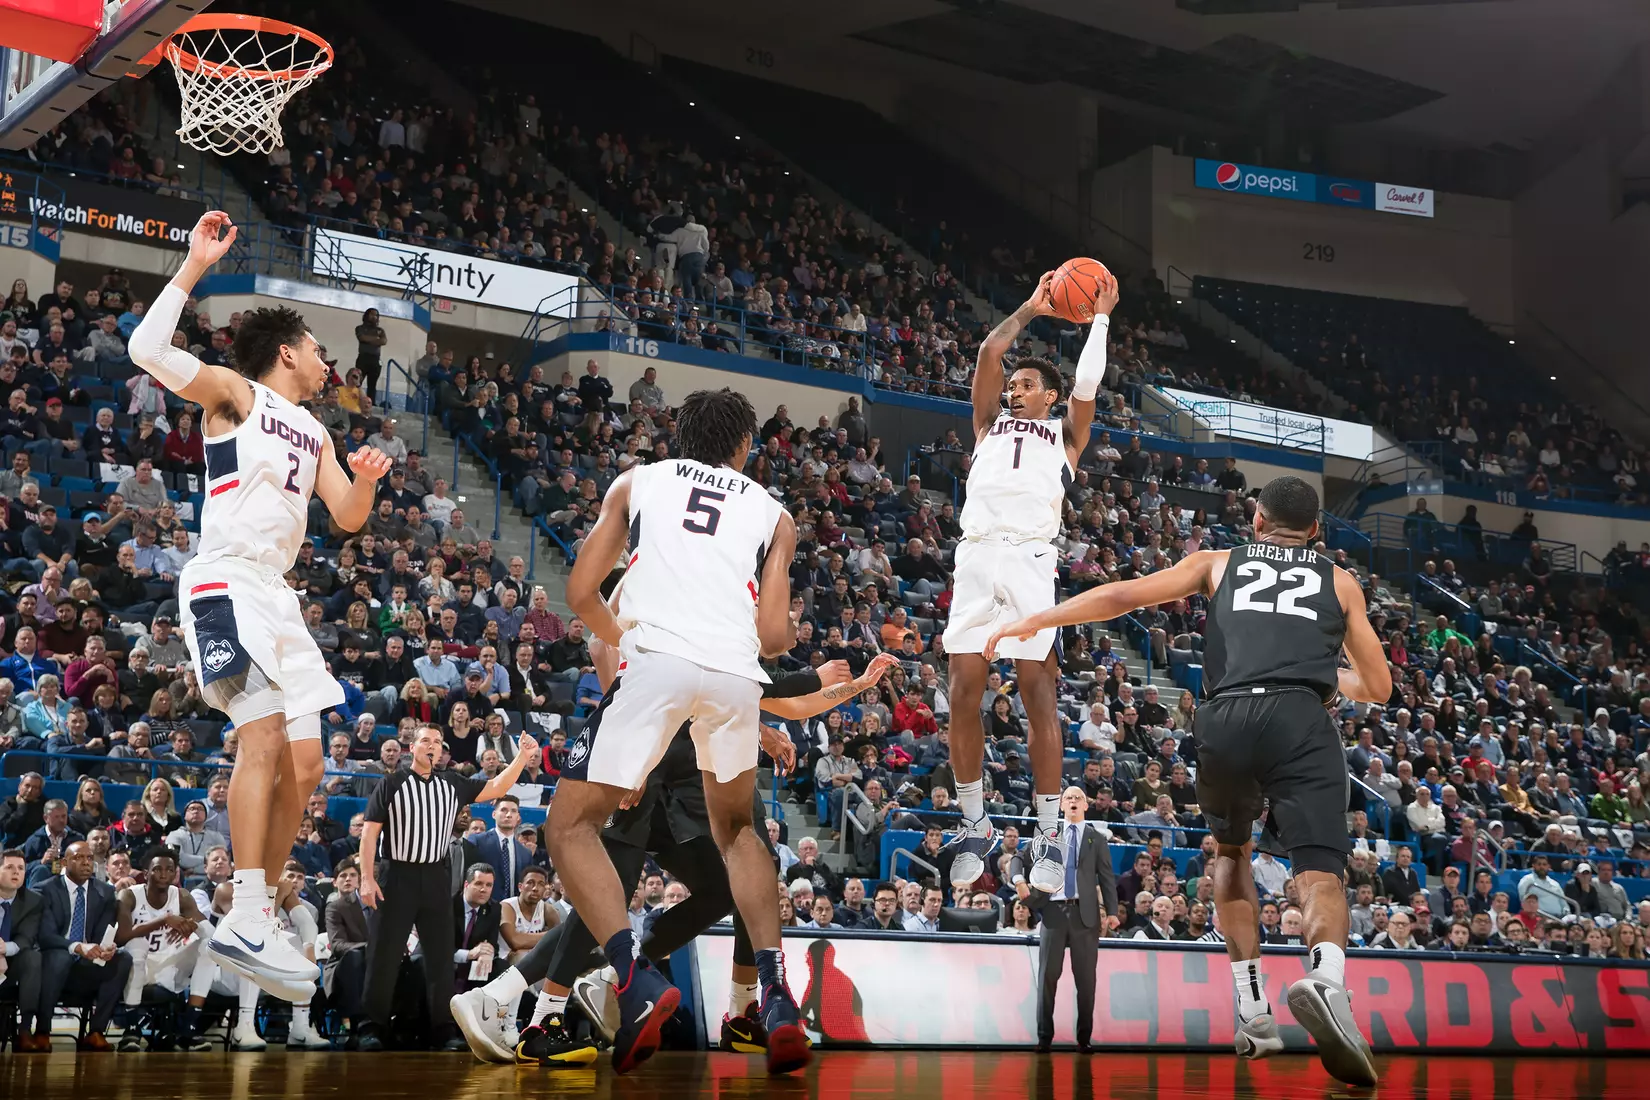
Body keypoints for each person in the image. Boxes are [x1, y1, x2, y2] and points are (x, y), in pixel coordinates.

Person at [986, 476, 1390, 1088]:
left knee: (1231, 851)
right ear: (1315, 531)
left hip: (1226, 716)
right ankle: (1327, 980)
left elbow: (1122, 595)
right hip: (1301, 716)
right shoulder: (1339, 581)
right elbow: (1379, 687)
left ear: (1256, 521)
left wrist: (1038, 620)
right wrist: (1324, 678)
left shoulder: (1216, 563)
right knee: (1319, 872)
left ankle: (1252, 1008)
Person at [128, 210, 396, 997]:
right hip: (227, 580)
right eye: (317, 348)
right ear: (288, 352)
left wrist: (366, 481)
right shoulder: (236, 394)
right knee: (264, 734)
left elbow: (347, 517)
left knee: (308, 766)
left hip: (278, 597)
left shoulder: (315, 432)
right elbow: (147, 350)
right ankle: (246, 911)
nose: (325, 360)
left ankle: (259, 913)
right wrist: (193, 266)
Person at [543, 387, 807, 1077]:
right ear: (744, 446)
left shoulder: (639, 481)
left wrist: (621, 637)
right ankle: (776, 996)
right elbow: (774, 638)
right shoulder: (775, 515)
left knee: (570, 827)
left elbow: (579, 595)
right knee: (739, 833)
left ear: (680, 435)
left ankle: (632, 978)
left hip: (657, 662)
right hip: (735, 676)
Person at [941, 269, 1112, 893]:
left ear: (1050, 396)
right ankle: (975, 823)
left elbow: (1088, 384)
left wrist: (1099, 318)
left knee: (1038, 694)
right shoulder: (987, 423)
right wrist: (1033, 308)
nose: (1014, 391)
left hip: (1030, 559)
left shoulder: (1067, 436)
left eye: (1027, 385)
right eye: (1012, 386)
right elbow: (990, 353)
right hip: (976, 554)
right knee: (963, 690)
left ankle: (1045, 832)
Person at [354, 723, 537, 1051]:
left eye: (437, 742)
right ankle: (371, 1027)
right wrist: (367, 878)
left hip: (436, 876)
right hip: (396, 875)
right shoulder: (391, 783)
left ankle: (442, 1029)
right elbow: (369, 833)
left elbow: (497, 786)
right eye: (425, 740)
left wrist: (522, 757)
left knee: (440, 957)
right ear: (412, 747)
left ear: (441, 751)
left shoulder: (452, 783)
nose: (432, 745)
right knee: (384, 954)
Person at [1025, 786, 1117, 1052]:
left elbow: (1107, 876)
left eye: (1078, 798)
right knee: (1047, 977)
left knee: (1086, 980)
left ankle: (1084, 1038)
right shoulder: (1049, 834)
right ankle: (1044, 1037)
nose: (1073, 801)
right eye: (1068, 798)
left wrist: (1112, 911)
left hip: (1084, 914)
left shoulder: (1097, 838)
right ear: (1061, 805)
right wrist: (1021, 883)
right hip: (1053, 911)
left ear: (1086, 805)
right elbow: (1027, 860)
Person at [32, 840, 133, 1051]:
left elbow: (103, 933)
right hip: (52, 964)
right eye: (78, 858)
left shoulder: (105, 892)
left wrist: (106, 948)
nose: (86, 863)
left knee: (123, 958)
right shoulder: (45, 889)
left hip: (87, 965)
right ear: (64, 862)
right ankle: (42, 1031)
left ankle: (96, 1032)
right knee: (60, 956)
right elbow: (45, 936)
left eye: (89, 858)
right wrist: (77, 947)